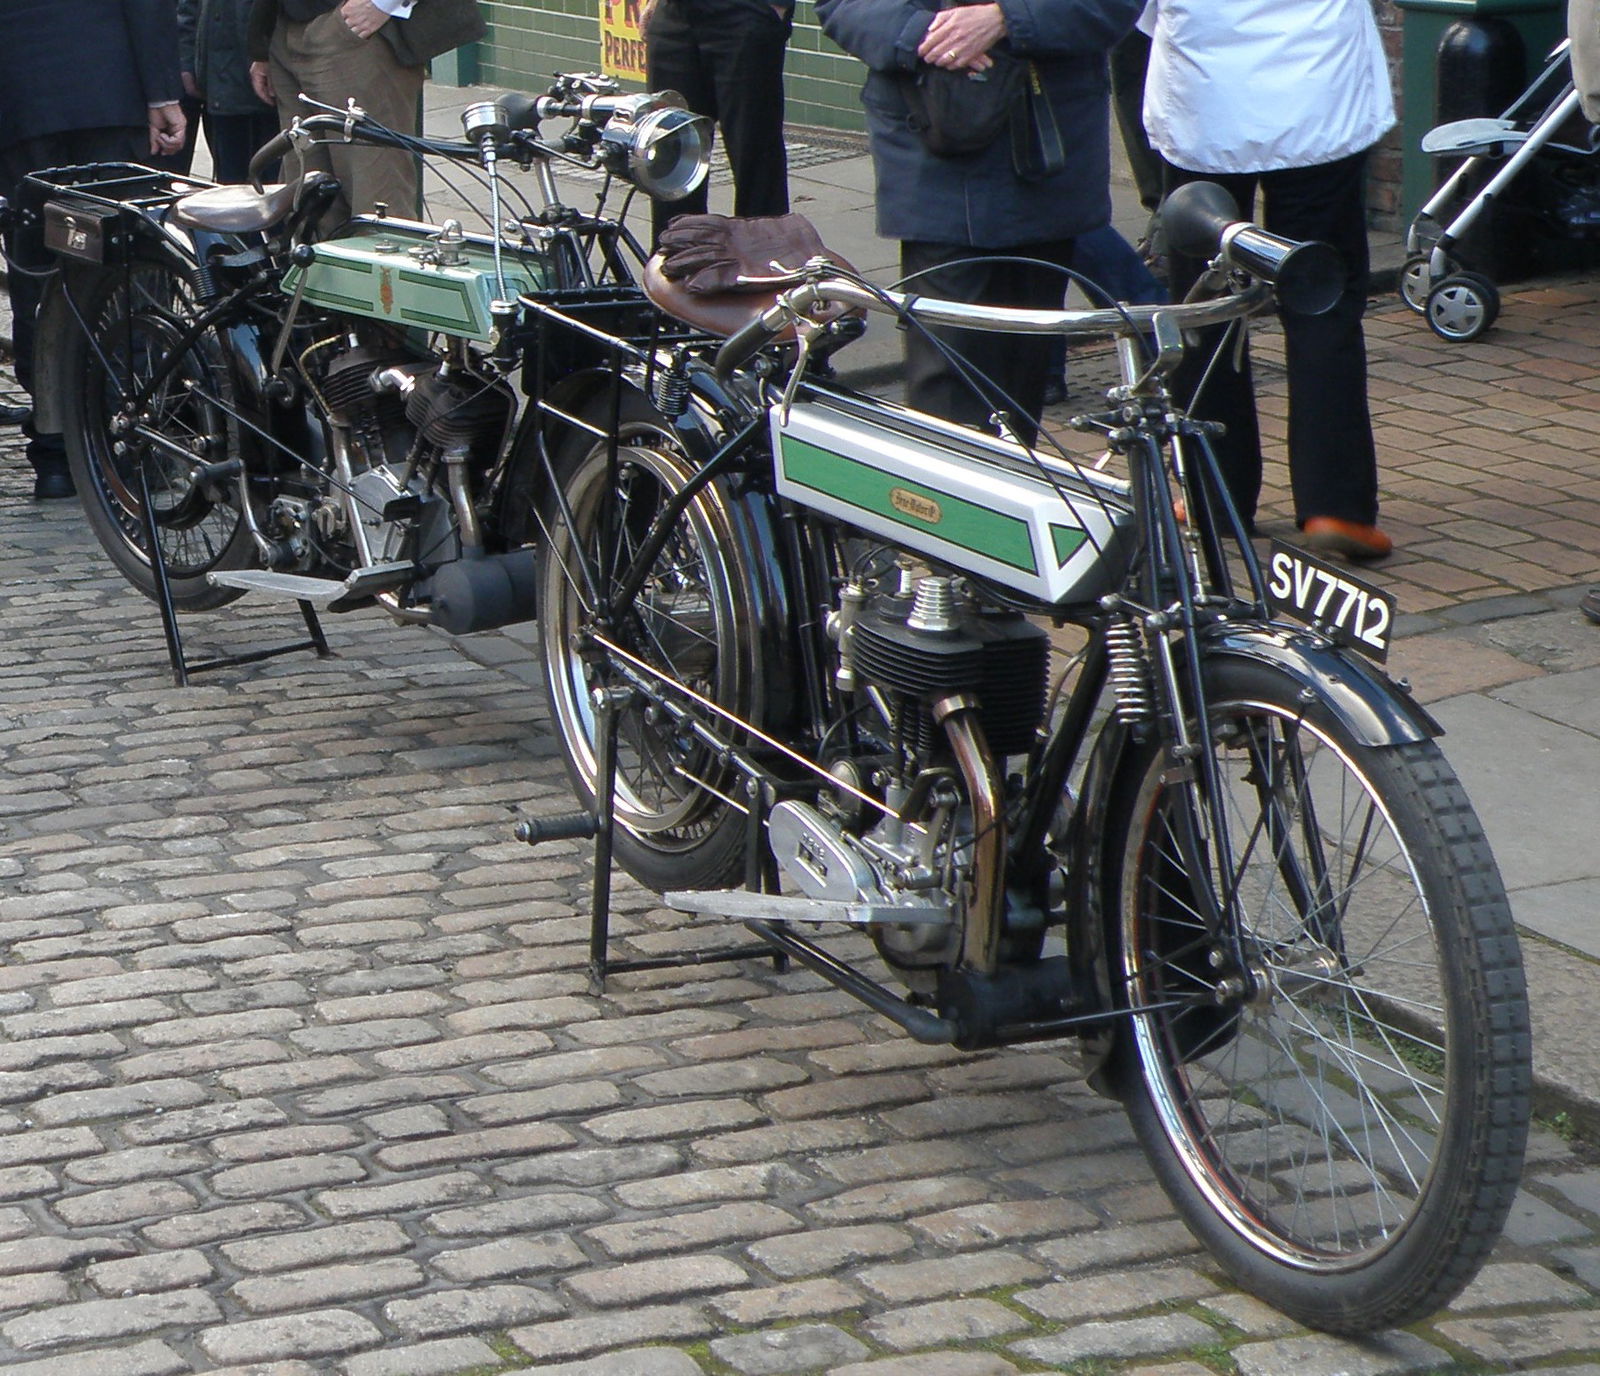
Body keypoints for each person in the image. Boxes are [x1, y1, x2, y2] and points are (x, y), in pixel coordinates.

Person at [815, 0, 1142, 442]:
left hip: (1046, 157)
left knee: (1018, 388)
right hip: (932, 155)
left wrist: (1006, 18)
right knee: (947, 392)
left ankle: (1012, 483)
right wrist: (928, 34)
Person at [1142, 0, 1396, 561]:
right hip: (1315, 81)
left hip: (1204, 84)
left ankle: (1213, 492)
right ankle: (1338, 505)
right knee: (1321, 297)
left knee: (1203, 301)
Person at [0, 0, 187, 499]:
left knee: (37, 270)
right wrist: (161, 92)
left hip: (21, 96)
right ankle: (127, 437)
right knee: (126, 268)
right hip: (107, 86)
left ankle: (56, 449)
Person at [247, 0, 484, 226]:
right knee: (307, 210)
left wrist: (381, 4)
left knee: (377, 208)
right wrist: (261, 46)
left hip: (356, 34)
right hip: (285, 29)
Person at [644, 0, 795, 245]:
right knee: (672, 150)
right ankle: (679, 261)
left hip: (743, 14)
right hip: (674, 17)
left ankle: (766, 260)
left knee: (754, 150)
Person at [180, 0, 282, 183]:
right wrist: (187, 61)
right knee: (232, 189)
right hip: (222, 86)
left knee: (276, 187)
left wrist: (270, 56)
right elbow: (189, 8)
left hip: (271, 85)